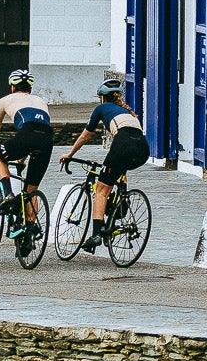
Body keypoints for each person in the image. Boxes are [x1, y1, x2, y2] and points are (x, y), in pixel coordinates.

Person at [59, 78, 148, 251]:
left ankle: (97, 234)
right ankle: (119, 204)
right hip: (143, 149)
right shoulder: (128, 111)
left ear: (102, 97)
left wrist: (70, 154)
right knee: (120, 169)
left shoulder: (101, 108)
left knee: (101, 189)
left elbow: (86, 136)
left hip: (123, 145)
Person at [0, 69, 53, 230]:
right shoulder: (41, 101)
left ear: (12, 87)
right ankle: (29, 231)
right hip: (47, 139)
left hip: (27, 134)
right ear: (30, 88)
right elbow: (38, 134)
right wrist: (21, 160)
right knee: (31, 191)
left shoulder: (5, 100)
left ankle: (8, 194)